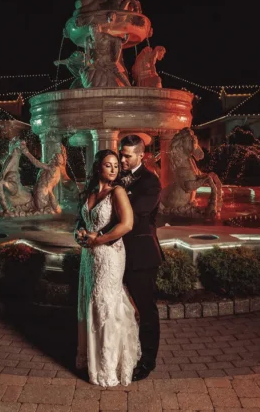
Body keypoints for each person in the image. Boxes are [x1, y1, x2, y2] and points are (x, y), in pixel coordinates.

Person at [74, 149, 141, 387]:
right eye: (108, 165)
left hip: (110, 256)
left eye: (115, 165)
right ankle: (91, 360)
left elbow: (127, 225)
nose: (113, 169)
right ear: (98, 168)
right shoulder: (91, 192)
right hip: (88, 257)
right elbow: (81, 220)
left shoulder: (118, 192)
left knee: (105, 306)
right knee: (89, 302)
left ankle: (109, 367)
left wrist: (97, 240)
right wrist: (78, 234)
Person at [116, 134, 164, 381]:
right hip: (113, 255)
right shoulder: (116, 176)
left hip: (140, 256)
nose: (122, 159)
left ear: (141, 155)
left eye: (127, 155)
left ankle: (147, 361)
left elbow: (133, 214)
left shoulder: (151, 182)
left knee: (145, 310)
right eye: (121, 154)